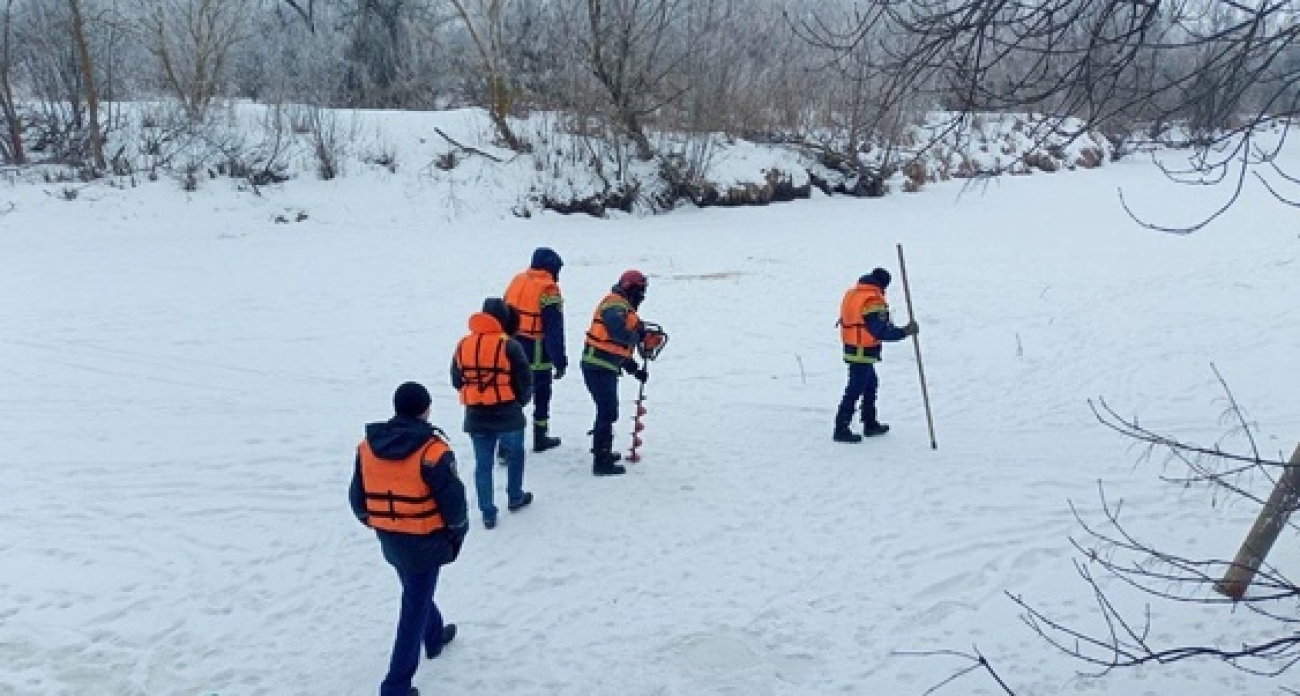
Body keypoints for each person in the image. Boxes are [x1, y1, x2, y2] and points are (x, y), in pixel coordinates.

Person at [349, 381, 469, 696]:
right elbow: (454, 502)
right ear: (426, 410)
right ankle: (396, 684)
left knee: (416, 591)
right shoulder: (433, 451)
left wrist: (378, 523)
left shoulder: (368, 447)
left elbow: (357, 499)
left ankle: (434, 636)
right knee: (413, 604)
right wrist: (457, 534)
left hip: (390, 536)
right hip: (425, 539)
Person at [450, 297, 534, 528]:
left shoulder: (463, 344)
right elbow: (525, 380)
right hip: (508, 412)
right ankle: (515, 496)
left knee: (483, 464)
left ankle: (487, 512)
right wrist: (519, 402)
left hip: (476, 415)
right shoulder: (509, 345)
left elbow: (457, 380)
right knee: (516, 454)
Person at [835, 267, 919, 443]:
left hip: (852, 346)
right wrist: (905, 331)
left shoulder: (854, 293)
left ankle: (870, 423)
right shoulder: (872, 300)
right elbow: (880, 331)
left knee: (870, 384)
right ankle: (841, 428)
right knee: (855, 388)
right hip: (862, 351)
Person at [581, 269, 651, 476]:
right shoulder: (615, 304)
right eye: (641, 291)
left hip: (603, 365)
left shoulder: (623, 305)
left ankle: (604, 451)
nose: (643, 296)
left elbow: (615, 348)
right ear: (632, 288)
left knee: (607, 410)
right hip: (597, 367)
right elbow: (617, 333)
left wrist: (634, 369)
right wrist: (638, 335)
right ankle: (601, 461)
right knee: (607, 411)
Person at [503, 247, 569, 453]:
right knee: (541, 394)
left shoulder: (517, 280)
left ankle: (505, 445)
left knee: (514, 393)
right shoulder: (549, 289)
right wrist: (560, 360)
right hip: (537, 349)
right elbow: (554, 329)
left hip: (511, 344)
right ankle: (540, 438)